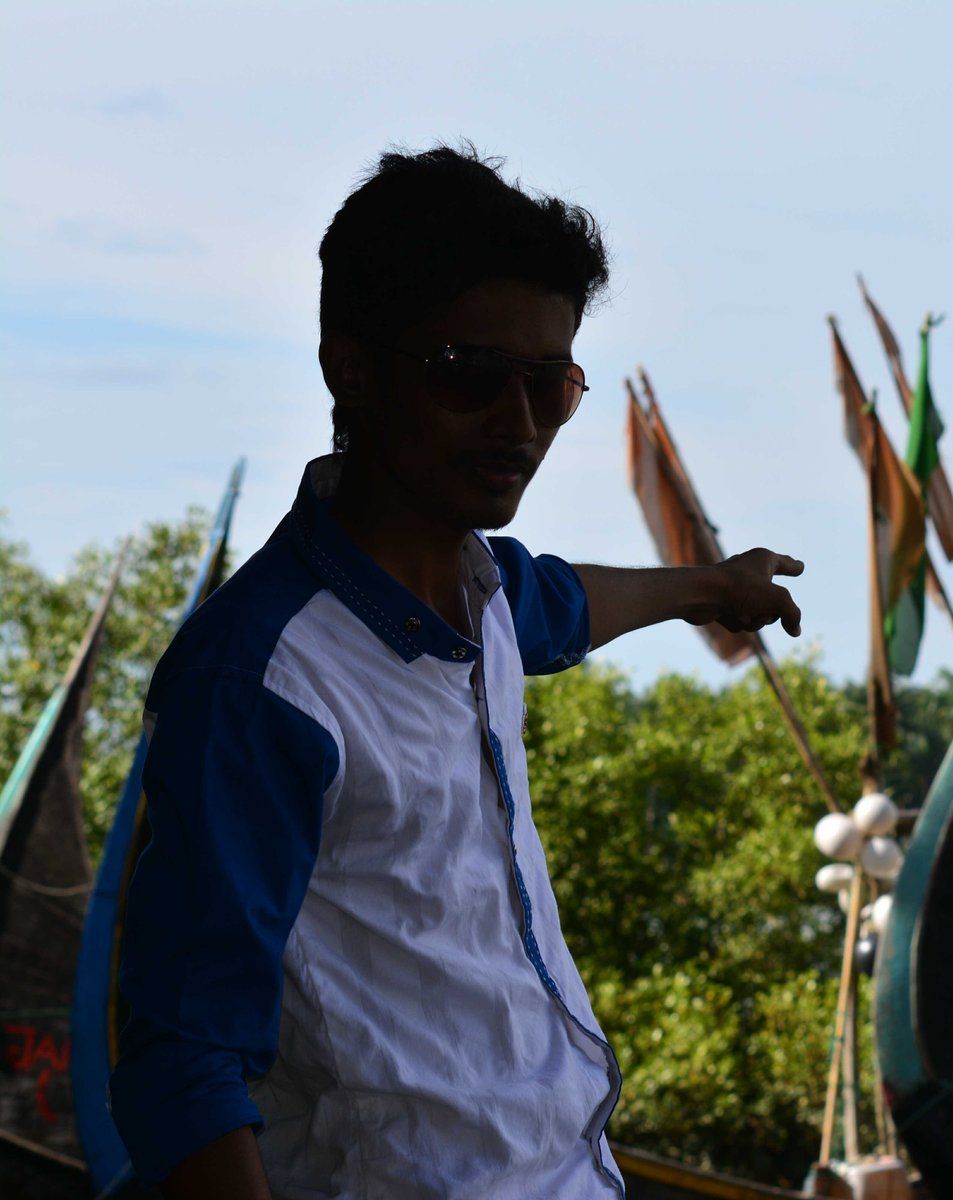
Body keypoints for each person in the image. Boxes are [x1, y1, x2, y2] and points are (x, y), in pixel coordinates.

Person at [108, 145, 805, 1199]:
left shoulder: (484, 602)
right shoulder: (264, 682)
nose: (517, 424)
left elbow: (568, 605)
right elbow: (182, 1062)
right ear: (352, 368)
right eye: (469, 376)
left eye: (550, 385)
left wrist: (713, 585)